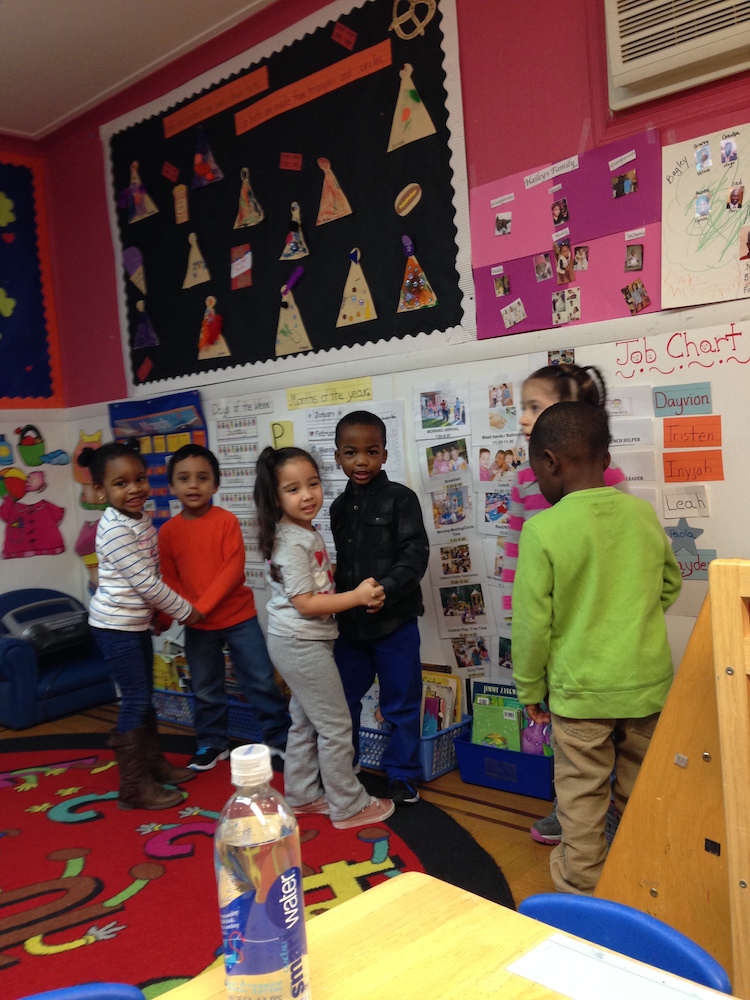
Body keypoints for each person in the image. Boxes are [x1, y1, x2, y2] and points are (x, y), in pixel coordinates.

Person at [511, 402, 681, 894]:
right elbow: (669, 584)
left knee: (581, 798)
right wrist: (630, 618)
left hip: (581, 693)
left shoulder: (544, 529)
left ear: (550, 462)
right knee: (641, 790)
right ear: (605, 458)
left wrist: (529, 689)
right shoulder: (641, 514)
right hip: (647, 686)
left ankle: (582, 890)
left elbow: (531, 626)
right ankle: (638, 881)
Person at [500, 363, 629, 846]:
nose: (523, 417)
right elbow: (515, 555)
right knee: (565, 729)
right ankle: (569, 809)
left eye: (534, 406)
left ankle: (608, 812)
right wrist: (516, 620)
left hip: (602, 634)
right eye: (523, 407)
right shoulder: (524, 481)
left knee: (608, 730)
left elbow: (625, 551)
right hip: (554, 638)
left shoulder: (608, 477)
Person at [254, 445, 394, 829]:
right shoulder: (290, 541)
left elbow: (310, 585)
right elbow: (306, 604)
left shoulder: (302, 532)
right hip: (301, 642)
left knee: (304, 721)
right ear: (275, 498)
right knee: (335, 726)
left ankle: (301, 795)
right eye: (293, 489)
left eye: (312, 484)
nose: (307, 495)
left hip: (298, 641)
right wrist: (358, 597)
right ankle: (348, 804)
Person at [78, 440, 201, 811]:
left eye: (140, 479)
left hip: (134, 623)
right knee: (134, 698)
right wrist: (185, 611)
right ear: (100, 490)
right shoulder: (114, 528)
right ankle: (133, 785)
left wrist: (157, 617)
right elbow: (145, 584)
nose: (134, 489)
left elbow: (152, 574)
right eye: (121, 483)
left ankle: (152, 763)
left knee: (144, 695)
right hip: (115, 627)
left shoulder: (140, 520)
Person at [158, 444, 290, 771]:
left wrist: (200, 607)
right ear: (172, 486)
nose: (193, 485)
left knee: (260, 680)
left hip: (238, 619)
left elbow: (232, 571)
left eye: (202, 478)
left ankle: (279, 740)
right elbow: (169, 580)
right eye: (184, 478)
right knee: (205, 687)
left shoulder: (225, 521)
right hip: (197, 625)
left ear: (215, 484)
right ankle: (211, 743)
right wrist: (171, 615)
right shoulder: (168, 532)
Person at [331, 411, 430, 805]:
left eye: (371, 452)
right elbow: (344, 566)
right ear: (338, 456)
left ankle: (402, 773)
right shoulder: (338, 507)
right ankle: (346, 767)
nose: (361, 461)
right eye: (351, 452)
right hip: (350, 627)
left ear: (385, 454)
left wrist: (384, 590)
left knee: (401, 702)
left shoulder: (401, 499)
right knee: (341, 701)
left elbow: (415, 556)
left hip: (395, 623)